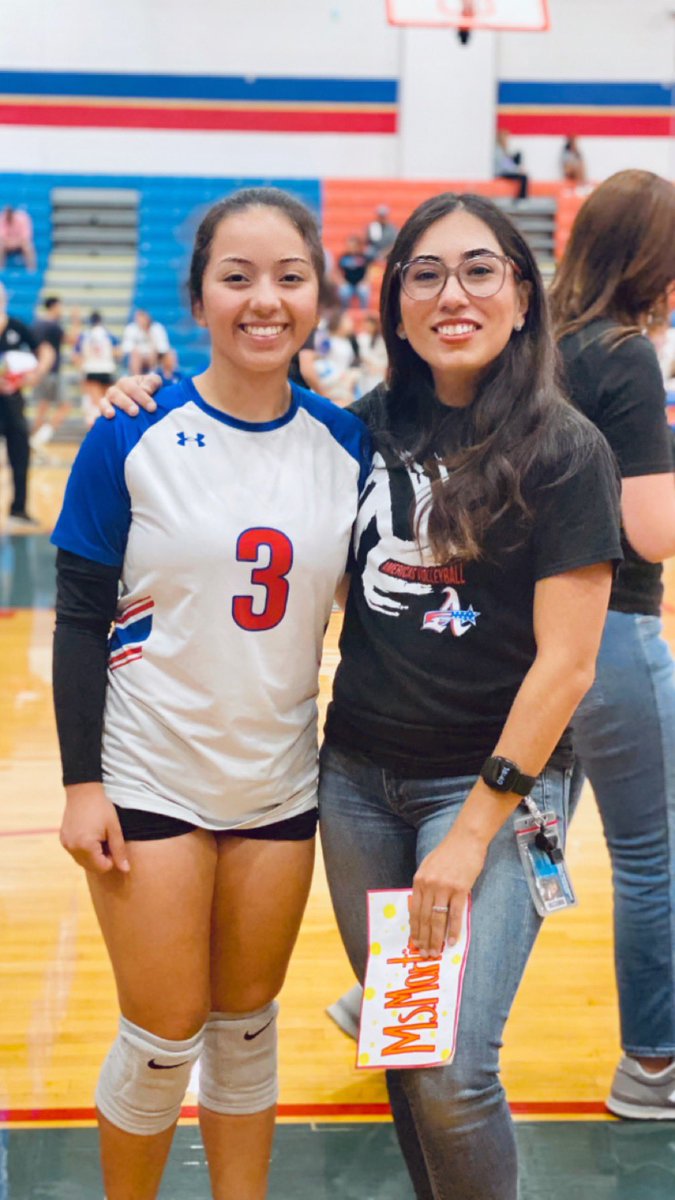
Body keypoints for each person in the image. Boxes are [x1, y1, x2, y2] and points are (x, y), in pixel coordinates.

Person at [105, 193, 621, 1200]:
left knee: (453, 1068)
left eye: (480, 270)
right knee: (404, 1044)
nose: (452, 293)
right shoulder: (360, 430)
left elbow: (567, 666)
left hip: (494, 799)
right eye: (424, 274)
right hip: (356, 785)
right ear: (393, 305)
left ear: (522, 294)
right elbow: (244, 425)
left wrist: (471, 832)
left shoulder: (568, 452)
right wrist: (145, 396)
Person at [51, 187, 369, 1200]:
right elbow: (76, 618)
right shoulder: (127, 435)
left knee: (245, 1031)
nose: (264, 300)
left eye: (289, 276)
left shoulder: (350, 446)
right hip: (149, 776)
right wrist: (80, 784)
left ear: (319, 294)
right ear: (199, 300)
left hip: (279, 779)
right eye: (237, 278)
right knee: (160, 1034)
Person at [550, 168, 675, 1120]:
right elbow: (649, 530)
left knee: (506, 837)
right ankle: (653, 1067)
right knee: (650, 857)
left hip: (528, 642)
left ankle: (376, 1002)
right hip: (613, 629)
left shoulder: (539, 343)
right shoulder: (625, 356)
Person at [0, 282, 54, 529]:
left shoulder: (16, 327)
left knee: (20, 456)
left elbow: (46, 351)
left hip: (12, 404)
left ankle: (19, 508)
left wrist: (36, 374)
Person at [30, 296, 78, 455]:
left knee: (42, 408)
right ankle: (39, 439)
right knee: (66, 405)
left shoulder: (37, 324)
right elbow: (72, 340)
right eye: (60, 306)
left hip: (39, 372)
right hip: (52, 372)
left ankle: (31, 442)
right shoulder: (53, 325)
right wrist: (76, 321)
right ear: (54, 306)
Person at [72, 311, 119, 427]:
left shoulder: (85, 335)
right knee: (107, 402)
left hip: (91, 370)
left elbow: (76, 356)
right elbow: (118, 352)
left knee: (95, 404)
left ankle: (95, 428)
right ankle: (107, 428)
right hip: (107, 370)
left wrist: (81, 370)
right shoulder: (108, 334)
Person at [121, 307, 170, 374]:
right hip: (137, 356)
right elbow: (126, 347)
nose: (141, 321)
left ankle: (166, 377)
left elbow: (164, 347)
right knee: (135, 355)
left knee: (170, 354)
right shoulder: (131, 329)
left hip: (155, 356)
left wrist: (151, 341)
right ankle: (137, 378)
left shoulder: (157, 328)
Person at [337, 234, 371, 310]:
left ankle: (364, 312)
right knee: (343, 292)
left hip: (360, 283)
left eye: (352, 246)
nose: (350, 248)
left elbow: (368, 271)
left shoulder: (363, 257)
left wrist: (365, 281)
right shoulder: (343, 257)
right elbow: (337, 271)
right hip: (348, 284)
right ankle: (344, 311)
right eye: (349, 245)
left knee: (364, 291)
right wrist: (341, 281)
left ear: (357, 246)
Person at [494, 129, 529, 200]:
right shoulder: (498, 151)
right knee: (523, 177)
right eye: (506, 139)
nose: (507, 141)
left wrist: (517, 169)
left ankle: (521, 197)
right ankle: (521, 198)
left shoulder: (504, 151)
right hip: (501, 173)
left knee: (518, 155)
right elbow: (505, 167)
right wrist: (517, 171)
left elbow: (509, 164)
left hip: (506, 170)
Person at [0, 205, 37, 270]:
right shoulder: (2, 219)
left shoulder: (22, 218)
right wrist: (10, 242)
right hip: (7, 243)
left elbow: (26, 236)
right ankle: (1, 269)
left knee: (28, 245)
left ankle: (32, 270)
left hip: (20, 242)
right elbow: (1, 237)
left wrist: (15, 242)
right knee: (0, 245)